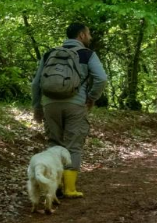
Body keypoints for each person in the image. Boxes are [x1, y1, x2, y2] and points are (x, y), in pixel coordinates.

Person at [32, 23, 108, 198]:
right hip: (75, 104)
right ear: (81, 35)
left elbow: (36, 83)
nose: (90, 37)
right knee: (73, 146)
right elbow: (101, 79)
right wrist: (91, 97)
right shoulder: (87, 54)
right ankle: (69, 188)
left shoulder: (50, 53)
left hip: (50, 105)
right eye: (88, 33)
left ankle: (55, 185)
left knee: (54, 144)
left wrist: (37, 106)